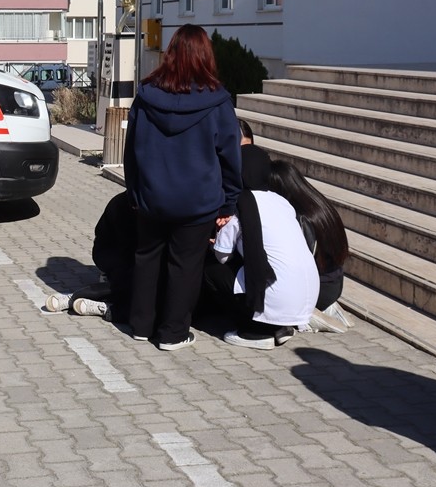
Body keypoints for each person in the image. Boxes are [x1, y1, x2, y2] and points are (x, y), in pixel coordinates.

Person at [123, 24, 242, 350]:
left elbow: (130, 149)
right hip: (198, 202)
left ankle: (141, 325)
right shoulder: (218, 102)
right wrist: (228, 203)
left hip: (151, 197)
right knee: (185, 266)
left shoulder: (146, 95)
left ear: (170, 53)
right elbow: (230, 157)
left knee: (146, 259)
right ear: (206, 56)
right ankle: (173, 333)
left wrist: (133, 191)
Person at [211, 146, 321, 349]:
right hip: (306, 299)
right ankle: (280, 326)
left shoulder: (239, 204)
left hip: (278, 295)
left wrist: (216, 242)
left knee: (211, 269)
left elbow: (222, 256)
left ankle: (255, 331)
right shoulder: (282, 202)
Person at [267, 160, 353, 332]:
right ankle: (326, 306)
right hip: (335, 282)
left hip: (314, 289)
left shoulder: (298, 217)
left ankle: (307, 313)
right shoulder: (319, 205)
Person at [44, 191, 136, 318]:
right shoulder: (123, 203)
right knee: (133, 281)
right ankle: (76, 297)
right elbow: (107, 241)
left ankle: (105, 308)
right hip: (118, 257)